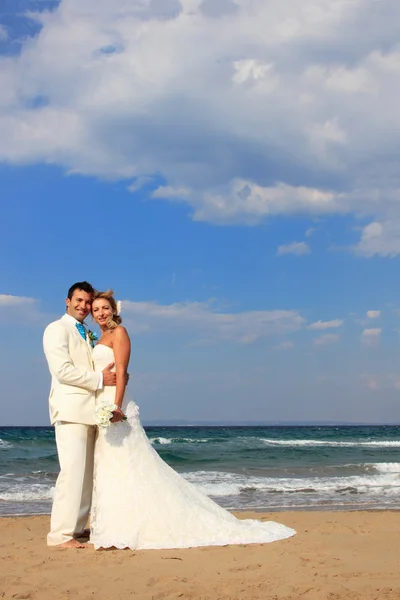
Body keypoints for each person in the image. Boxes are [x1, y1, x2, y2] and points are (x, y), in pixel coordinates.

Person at [90, 290, 296, 550]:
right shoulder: (100, 337)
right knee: (112, 466)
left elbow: (121, 372)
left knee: (129, 463)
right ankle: (116, 525)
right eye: (96, 309)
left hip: (115, 405)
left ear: (114, 310)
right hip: (102, 405)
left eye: (104, 308)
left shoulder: (120, 333)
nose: (100, 313)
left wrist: (116, 406)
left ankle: (133, 526)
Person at [43, 281, 118, 548]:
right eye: (79, 301)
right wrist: (100, 378)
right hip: (71, 409)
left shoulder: (86, 331)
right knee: (72, 473)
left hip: (91, 411)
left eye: (87, 302)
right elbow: (62, 370)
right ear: (67, 301)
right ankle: (60, 535)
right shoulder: (56, 329)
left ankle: (76, 528)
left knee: (86, 476)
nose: (84, 306)